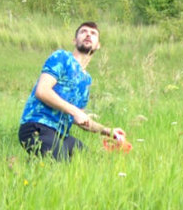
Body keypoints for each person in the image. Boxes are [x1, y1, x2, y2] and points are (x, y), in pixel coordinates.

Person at [18, 22, 126, 160]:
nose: (88, 34)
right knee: (60, 162)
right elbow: (42, 91)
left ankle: (23, 164)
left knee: (89, 163)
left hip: (60, 135)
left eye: (93, 34)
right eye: (83, 32)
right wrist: (74, 111)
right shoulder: (62, 58)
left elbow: (80, 119)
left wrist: (108, 131)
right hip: (37, 126)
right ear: (74, 40)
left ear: (98, 45)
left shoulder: (86, 80)